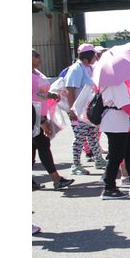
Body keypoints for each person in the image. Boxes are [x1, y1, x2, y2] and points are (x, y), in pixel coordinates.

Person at [32, 49, 75, 190]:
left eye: (40, 54)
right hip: (33, 116)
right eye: (36, 55)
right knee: (43, 146)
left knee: (32, 148)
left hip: (39, 115)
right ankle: (57, 180)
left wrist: (50, 95)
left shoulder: (36, 72)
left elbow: (37, 92)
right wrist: (41, 120)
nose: (40, 57)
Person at [65, 43, 107, 174]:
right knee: (79, 137)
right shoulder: (76, 69)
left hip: (87, 111)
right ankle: (76, 165)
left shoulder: (88, 68)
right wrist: (72, 110)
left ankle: (98, 160)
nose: (96, 56)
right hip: (78, 111)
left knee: (93, 135)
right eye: (93, 54)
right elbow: (70, 90)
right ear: (87, 55)